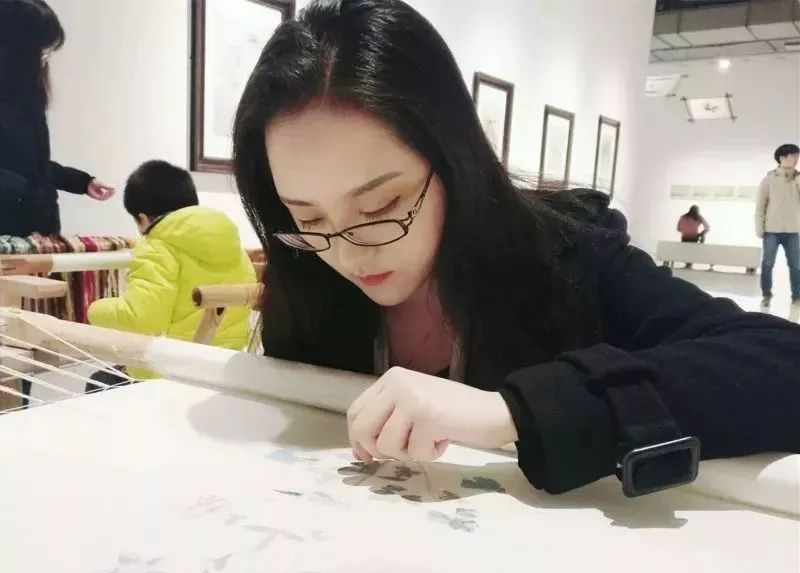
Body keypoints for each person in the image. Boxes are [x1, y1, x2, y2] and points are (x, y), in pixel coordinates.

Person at [232, 0, 800, 497]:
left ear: (454, 162)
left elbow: (782, 363)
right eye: (307, 216)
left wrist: (515, 410)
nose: (350, 255)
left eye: (381, 207)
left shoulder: (569, 255)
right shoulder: (308, 269)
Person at [85, 160, 256, 389]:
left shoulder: (156, 247)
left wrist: (94, 309)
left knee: (97, 381)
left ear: (143, 219)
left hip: (172, 373)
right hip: (226, 370)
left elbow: (142, 319)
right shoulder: (235, 247)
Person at [0, 0, 115, 238]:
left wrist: (81, 182)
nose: (45, 60)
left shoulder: (26, 100)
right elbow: (20, 177)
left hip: (39, 233)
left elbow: (33, 168)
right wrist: (25, 190)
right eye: (41, 51)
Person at [756, 143, 800, 308]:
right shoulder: (768, 180)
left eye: (797, 156)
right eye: (793, 156)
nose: (796, 159)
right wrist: (759, 227)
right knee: (768, 264)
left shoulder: (798, 178)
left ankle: (797, 297)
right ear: (782, 158)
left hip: (793, 230)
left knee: (796, 266)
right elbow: (760, 206)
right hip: (771, 231)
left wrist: (797, 179)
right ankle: (766, 295)